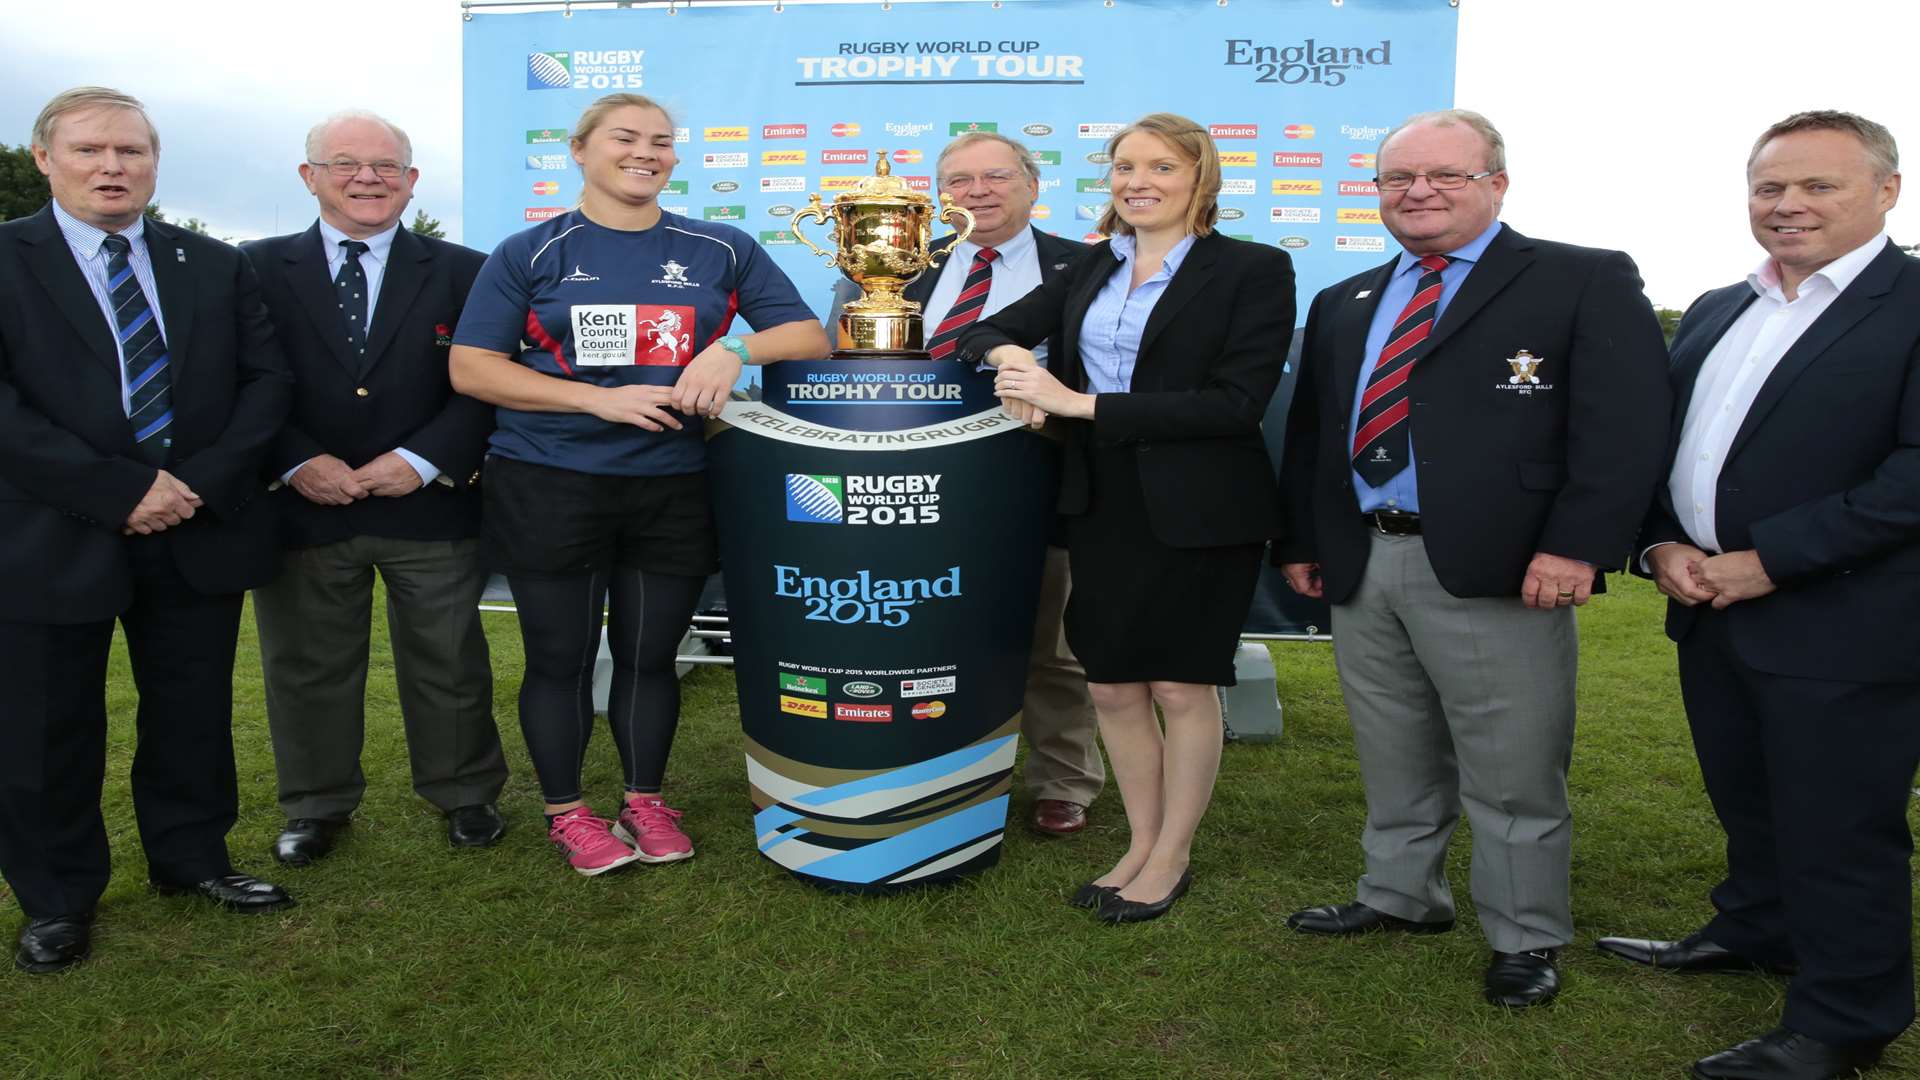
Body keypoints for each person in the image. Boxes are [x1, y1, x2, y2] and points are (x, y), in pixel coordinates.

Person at [1274, 108, 1669, 1006]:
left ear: (1496, 182)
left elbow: (1625, 430)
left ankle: (1525, 933)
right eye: (1397, 179)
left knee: (1512, 763)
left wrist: (1576, 544)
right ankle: (1400, 896)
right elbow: (1311, 436)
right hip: (1364, 562)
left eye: (1445, 176)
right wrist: (1301, 539)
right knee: (1392, 748)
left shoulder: (1581, 278)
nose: (1418, 193)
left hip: (1505, 565)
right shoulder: (1349, 300)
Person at [1597, 111, 1920, 1080]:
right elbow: (1664, 445)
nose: (1788, 206)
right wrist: (1658, 540)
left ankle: (1845, 1020)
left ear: (1886, 192)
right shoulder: (1716, 307)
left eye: (1818, 186)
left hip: (1848, 621)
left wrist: (1766, 557)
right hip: (1708, 609)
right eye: (1771, 188)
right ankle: (1758, 929)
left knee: (1841, 824)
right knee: (1749, 799)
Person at [450, 93, 828, 876]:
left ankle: (645, 799)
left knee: (650, 655)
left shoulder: (718, 247)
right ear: (580, 150)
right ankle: (567, 813)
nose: (645, 152)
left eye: (661, 142)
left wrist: (737, 351)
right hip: (551, 480)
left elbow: (810, 335)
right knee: (559, 657)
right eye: (625, 138)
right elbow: (472, 366)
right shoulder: (529, 251)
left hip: (673, 483)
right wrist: (595, 398)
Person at [961, 112, 1295, 923]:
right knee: (1111, 686)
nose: (1138, 181)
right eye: (1123, 166)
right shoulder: (1087, 268)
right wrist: (1013, 363)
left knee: (1180, 687)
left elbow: (1235, 404)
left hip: (1202, 508)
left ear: (1200, 178)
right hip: (1100, 503)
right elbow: (990, 329)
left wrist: (1077, 402)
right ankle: (1139, 842)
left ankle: (1171, 854)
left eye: (1161, 167)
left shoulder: (1253, 269)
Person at [0, 86, 296, 974]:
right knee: (45, 726)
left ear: (155, 163)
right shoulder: (6, 259)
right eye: (90, 150)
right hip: (51, 534)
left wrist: (189, 487)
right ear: (46, 160)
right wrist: (121, 488)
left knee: (192, 710)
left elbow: (265, 384)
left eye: (129, 151)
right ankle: (55, 898)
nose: (112, 167)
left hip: (193, 526)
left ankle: (192, 858)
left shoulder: (213, 263)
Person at [243, 110, 508, 867]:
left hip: (430, 504)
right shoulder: (255, 269)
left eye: (387, 166)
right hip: (305, 506)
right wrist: (297, 462)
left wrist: (423, 460)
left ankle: (465, 795)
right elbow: (243, 380)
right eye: (346, 163)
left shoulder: (469, 270)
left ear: (412, 180)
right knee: (307, 666)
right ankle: (316, 805)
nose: (369, 178)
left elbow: (485, 386)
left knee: (449, 659)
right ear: (310, 177)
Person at [828, 132, 1100, 837]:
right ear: (936, 197)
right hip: (910, 488)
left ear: (1033, 186)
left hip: (1044, 476)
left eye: (996, 176)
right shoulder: (890, 265)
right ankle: (929, 762)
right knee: (924, 631)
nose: (978, 191)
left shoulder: (1086, 267)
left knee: (1054, 641)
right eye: (958, 180)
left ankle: (1062, 780)